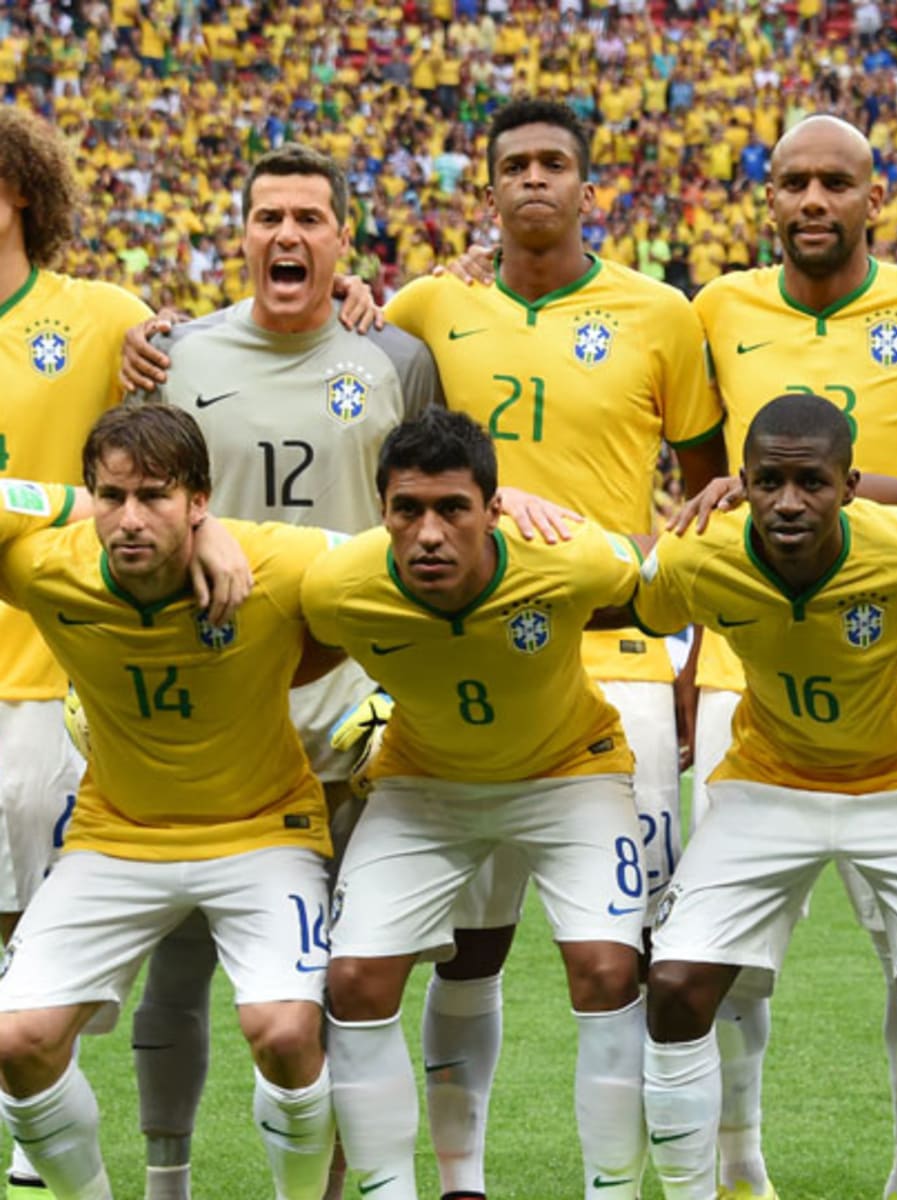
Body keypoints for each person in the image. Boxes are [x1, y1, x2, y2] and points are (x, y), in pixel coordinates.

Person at [380, 99, 725, 1200]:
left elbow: (706, 497)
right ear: (489, 190)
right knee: (468, 948)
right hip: (462, 671)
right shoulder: (427, 308)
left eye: (555, 164)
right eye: (515, 165)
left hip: (615, 668)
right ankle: (464, 1180)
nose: (535, 179)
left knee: (618, 956)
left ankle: (614, 1185)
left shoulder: (661, 314)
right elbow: (361, 408)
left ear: (590, 186)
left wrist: (692, 660)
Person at [123, 143, 443, 1200]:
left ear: (344, 241)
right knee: (179, 958)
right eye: (270, 217)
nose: (288, 235)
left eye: (310, 218)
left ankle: (333, 1187)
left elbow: (426, 516)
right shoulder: (175, 357)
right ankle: (167, 1181)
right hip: (208, 703)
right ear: (243, 235)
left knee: (346, 977)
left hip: (351, 707)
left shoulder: (392, 359)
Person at [689, 114, 897, 1200]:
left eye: (836, 183)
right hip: (743, 668)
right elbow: (696, 489)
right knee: (728, 957)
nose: (813, 201)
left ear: (877, 199)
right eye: (793, 183)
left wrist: (859, 499)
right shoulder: (716, 307)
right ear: (767, 200)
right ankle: (736, 1162)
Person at [632, 392, 897, 1200]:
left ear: (850, 485)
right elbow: (636, 592)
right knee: (673, 986)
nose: (789, 503)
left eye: (813, 483)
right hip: (769, 780)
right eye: (769, 482)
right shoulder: (703, 555)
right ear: (740, 483)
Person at [300, 407, 651, 1200]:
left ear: (493, 510)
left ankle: (614, 1192)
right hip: (425, 784)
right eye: (407, 510)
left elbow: (656, 581)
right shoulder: (338, 585)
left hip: (570, 773)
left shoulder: (569, 559)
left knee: (605, 970)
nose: (428, 533)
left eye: (453, 508)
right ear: (380, 510)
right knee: (355, 982)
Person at [0, 404, 345, 1200]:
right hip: (115, 838)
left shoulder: (279, 561)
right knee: (17, 1043)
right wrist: (80, 506)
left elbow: (393, 558)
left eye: (154, 495)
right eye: (110, 497)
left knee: (285, 1032)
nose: (128, 520)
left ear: (199, 498)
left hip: (265, 834)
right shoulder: (48, 568)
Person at [0, 105, 247, 1200]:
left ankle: (34, 1117)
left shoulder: (103, 316)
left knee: (26, 917)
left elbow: (183, 449)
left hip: (45, 670)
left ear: (17, 191)